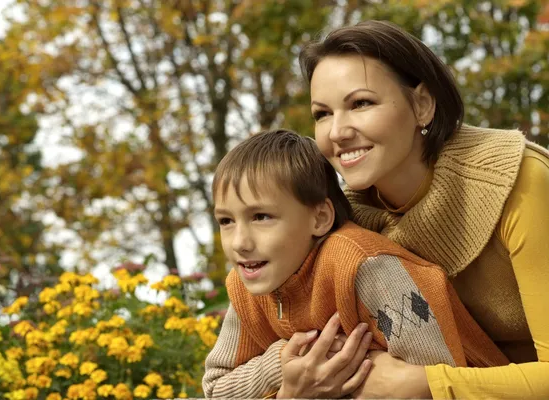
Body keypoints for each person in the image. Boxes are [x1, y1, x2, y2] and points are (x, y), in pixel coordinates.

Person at [205, 20, 549, 399]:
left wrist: (424, 384)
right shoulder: (343, 222)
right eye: (322, 113)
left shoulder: (519, 181)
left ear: (422, 104)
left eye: (361, 103)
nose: (337, 131)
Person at [202, 129, 508, 399]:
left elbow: (430, 382)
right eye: (226, 221)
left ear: (319, 218)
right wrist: (282, 363)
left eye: (261, 217)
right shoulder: (248, 282)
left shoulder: (367, 268)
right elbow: (215, 389)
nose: (240, 242)